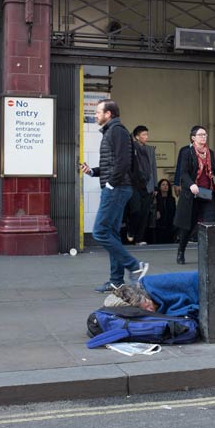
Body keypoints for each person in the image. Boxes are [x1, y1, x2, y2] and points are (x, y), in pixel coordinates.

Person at [79, 99, 150, 293]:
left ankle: (135, 266)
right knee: (111, 233)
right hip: (117, 187)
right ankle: (116, 281)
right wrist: (93, 172)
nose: (96, 114)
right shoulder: (112, 131)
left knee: (100, 232)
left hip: (117, 189)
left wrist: (111, 184)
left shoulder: (117, 131)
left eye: (98, 111)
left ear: (108, 114)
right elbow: (113, 164)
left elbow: (123, 162)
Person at [173, 126, 215, 265]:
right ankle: (181, 251)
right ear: (193, 137)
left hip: (207, 193)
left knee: (208, 224)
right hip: (192, 193)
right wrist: (191, 185)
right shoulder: (187, 152)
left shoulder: (210, 153)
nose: (204, 137)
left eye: (205, 135)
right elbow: (183, 172)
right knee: (187, 225)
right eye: (200, 135)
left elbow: (212, 172)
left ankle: (207, 255)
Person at [127, 125, 157, 246]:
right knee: (136, 210)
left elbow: (153, 168)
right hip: (134, 185)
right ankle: (130, 230)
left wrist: (155, 186)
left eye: (147, 134)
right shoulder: (131, 147)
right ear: (137, 136)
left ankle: (139, 239)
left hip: (148, 185)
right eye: (143, 135)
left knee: (145, 213)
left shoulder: (150, 149)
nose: (146, 137)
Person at [154, 179, 177, 244]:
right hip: (159, 226)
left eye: (167, 185)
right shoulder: (156, 198)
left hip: (169, 225)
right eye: (163, 185)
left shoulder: (172, 199)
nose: (165, 186)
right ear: (159, 187)